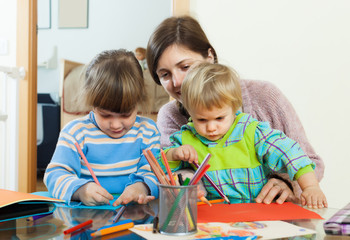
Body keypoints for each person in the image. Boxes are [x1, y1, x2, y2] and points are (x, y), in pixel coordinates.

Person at [146, 15, 325, 204]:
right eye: (165, 74)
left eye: (185, 66)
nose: (177, 82)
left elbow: (305, 158)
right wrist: (184, 178)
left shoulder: (263, 101)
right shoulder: (173, 119)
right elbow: (168, 170)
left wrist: (287, 183)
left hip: (270, 216)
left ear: (210, 57)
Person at [164, 62, 327, 209]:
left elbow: (291, 153)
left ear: (234, 107)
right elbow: (162, 168)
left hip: (259, 209)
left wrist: (310, 187)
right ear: (189, 112)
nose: (211, 127)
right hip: (215, 216)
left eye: (220, 118)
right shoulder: (186, 138)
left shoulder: (251, 132)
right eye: (201, 119)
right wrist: (174, 155)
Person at [44, 49, 160, 206]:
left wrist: (142, 186)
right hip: (87, 218)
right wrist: (80, 190)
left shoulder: (148, 131)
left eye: (125, 115)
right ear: (92, 103)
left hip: (135, 217)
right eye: (105, 115)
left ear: (138, 101)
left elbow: (155, 172)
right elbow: (55, 174)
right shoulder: (75, 133)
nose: (116, 125)